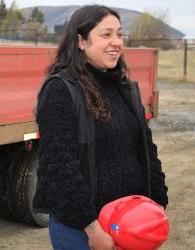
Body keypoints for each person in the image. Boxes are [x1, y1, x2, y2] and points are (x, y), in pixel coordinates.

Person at [32, 5, 168, 250]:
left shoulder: (125, 88)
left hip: (130, 221)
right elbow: (59, 168)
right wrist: (92, 229)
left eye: (119, 34)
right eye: (106, 35)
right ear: (81, 41)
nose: (116, 42)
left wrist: (157, 205)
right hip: (82, 229)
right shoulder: (60, 90)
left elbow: (146, 149)